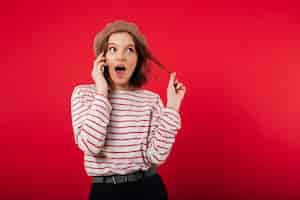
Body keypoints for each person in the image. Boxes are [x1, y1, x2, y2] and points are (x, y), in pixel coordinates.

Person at [71, 20, 186, 200]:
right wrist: (101, 91)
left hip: (148, 190)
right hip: (106, 193)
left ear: (138, 59)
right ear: (103, 58)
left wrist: (172, 107)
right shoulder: (84, 94)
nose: (121, 57)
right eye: (113, 49)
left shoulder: (151, 100)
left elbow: (157, 156)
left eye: (129, 50)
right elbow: (91, 145)